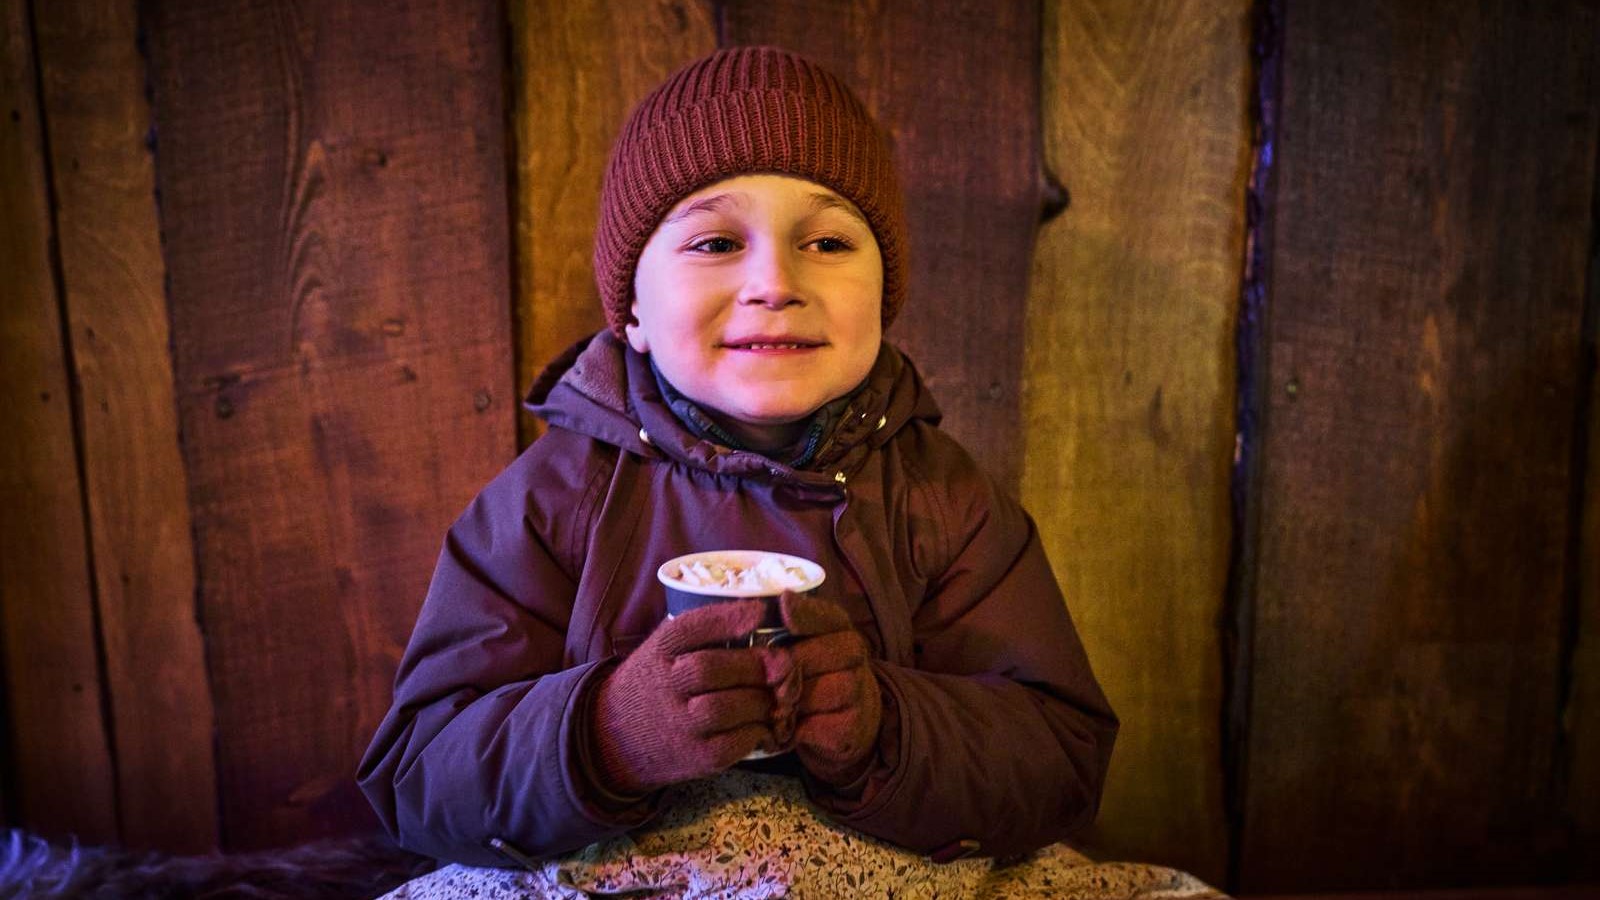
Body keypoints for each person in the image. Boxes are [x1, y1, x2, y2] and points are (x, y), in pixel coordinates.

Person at [358, 44, 1120, 895]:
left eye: (827, 242)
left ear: (885, 293)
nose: (774, 281)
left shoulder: (940, 500)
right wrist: (607, 733)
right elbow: (418, 776)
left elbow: (1061, 756)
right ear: (634, 313)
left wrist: (885, 728)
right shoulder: (552, 501)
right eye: (718, 242)